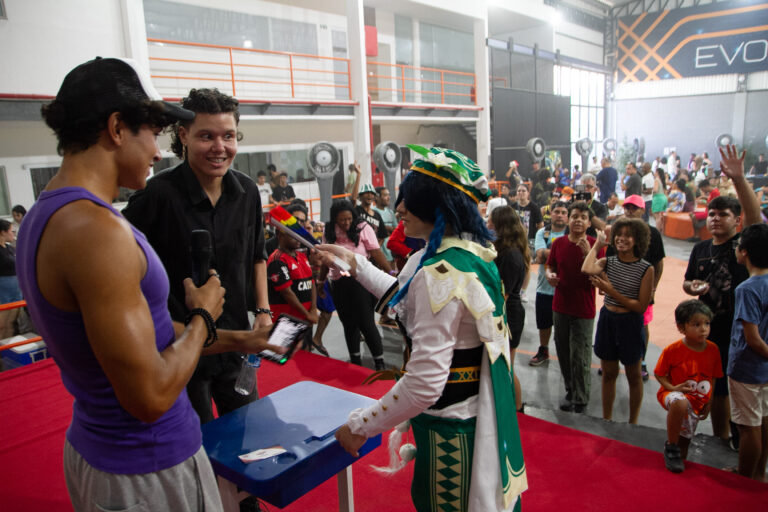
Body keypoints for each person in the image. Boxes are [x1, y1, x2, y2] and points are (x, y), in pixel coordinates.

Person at [18, 57, 278, 511]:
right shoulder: (97, 231)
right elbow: (152, 395)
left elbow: (146, 331)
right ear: (118, 128)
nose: (157, 153)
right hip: (146, 463)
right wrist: (201, 317)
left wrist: (239, 335)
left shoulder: (47, 213)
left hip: (103, 445)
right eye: (152, 135)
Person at [318, 145, 527, 511]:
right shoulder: (463, 255)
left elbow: (424, 384)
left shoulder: (436, 270)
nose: (399, 208)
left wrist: (359, 426)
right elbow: (407, 300)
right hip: (473, 414)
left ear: (438, 207)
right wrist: (356, 263)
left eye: (411, 200)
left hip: (452, 427)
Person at [123, 87, 274, 428]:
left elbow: (257, 256)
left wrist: (262, 310)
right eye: (207, 136)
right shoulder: (156, 196)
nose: (219, 147)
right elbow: (124, 269)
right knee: (198, 445)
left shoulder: (247, 191)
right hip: (180, 349)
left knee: (249, 434)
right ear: (183, 136)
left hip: (236, 343)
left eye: (229, 136)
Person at [683, 144, 762, 447]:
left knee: (738, 386)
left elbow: (755, 219)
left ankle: (741, 435)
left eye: (723, 214)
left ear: (736, 220)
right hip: (707, 326)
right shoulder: (701, 249)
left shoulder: (744, 244)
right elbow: (688, 282)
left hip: (740, 327)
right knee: (714, 387)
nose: (715, 219)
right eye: (712, 214)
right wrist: (692, 288)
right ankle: (722, 438)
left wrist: (740, 180)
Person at [582, 218, 654, 423]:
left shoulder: (646, 269)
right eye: (619, 235)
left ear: (638, 240)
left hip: (630, 323)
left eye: (628, 235)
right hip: (608, 319)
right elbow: (586, 268)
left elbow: (640, 307)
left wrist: (610, 290)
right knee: (609, 373)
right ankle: (607, 418)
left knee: (633, 375)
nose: (622, 239)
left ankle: (633, 422)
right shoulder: (608, 262)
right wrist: (597, 245)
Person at [546, 201, 605, 412]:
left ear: (589, 222)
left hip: (583, 307)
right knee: (563, 350)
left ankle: (581, 397)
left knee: (580, 355)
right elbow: (549, 265)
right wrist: (549, 275)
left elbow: (601, 276)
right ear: (569, 220)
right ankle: (570, 389)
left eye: (582, 217)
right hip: (560, 305)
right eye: (574, 216)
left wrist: (590, 252)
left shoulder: (595, 244)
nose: (578, 220)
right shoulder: (559, 243)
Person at [654, 300, 722, 473]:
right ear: (681, 327)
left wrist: (709, 401)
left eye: (707, 323)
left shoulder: (713, 350)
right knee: (680, 402)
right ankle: (670, 446)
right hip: (672, 394)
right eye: (696, 324)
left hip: (698, 400)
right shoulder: (673, 350)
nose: (703, 329)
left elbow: (714, 377)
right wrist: (673, 388)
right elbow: (659, 374)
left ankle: (675, 455)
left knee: (684, 442)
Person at [321, 199, 389, 369]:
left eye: (349, 219)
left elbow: (376, 252)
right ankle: (356, 361)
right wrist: (320, 281)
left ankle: (379, 362)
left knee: (366, 323)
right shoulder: (329, 230)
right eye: (342, 220)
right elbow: (324, 258)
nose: (346, 223)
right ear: (335, 218)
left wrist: (390, 273)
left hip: (360, 281)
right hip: (339, 283)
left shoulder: (363, 228)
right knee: (348, 324)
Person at [729, 223, 768, 480]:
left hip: (747, 366)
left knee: (748, 427)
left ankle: (744, 478)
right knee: (764, 420)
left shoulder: (748, 288)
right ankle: (759, 472)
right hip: (764, 369)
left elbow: (752, 338)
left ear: (743, 252)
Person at [617, 195, 666, 381]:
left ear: (642, 210)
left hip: (643, 290)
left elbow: (659, 263)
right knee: (618, 322)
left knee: (642, 325)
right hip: (620, 288)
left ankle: (641, 360)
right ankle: (613, 359)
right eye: (627, 207)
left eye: (633, 208)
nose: (629, 211)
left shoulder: (653, 233)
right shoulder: (618, 231)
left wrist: (653, 288)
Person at [489, 205, 529, 412]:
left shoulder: (511, 255)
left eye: (490, 221)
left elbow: (502, 293)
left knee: (506, 366)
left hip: (508, 314)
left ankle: (517, 408)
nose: (487, 224)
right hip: (506, 311)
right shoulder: (505, 251)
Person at [266, 204, 319, 352]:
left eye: (299, 235)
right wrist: (307, 314)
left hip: (306, 319)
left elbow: (311, 282)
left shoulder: (302, 256)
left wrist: (313, 309)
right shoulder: (277, 260)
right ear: (280, 234)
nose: (298, 239)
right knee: (285, 360)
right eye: (292, 235)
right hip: (287, 322)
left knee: (306, 357)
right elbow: (287, 293)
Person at [529, 200, 569, 366]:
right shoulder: (542, 233)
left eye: (563, 213)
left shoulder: (571, 233)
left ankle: (566, 353)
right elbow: (539, 253)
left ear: (567, 217)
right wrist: (564, 251)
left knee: (565, 327)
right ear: (550, 214)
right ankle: (543, 349)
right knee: (544, 322)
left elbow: (545, 255)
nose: (559, 215)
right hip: (544, 288)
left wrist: (548, 253)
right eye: (556, 212)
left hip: (566, 289)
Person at [0, 219, 22, 337]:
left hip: (15, 289)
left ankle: (9, 352)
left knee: (10, 323)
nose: (13, 234)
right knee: (2, 325)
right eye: (11, 231)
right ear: (3, 232)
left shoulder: (10, 248)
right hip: (3, 290)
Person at [651, 166, 669, 233]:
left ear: (657, 172)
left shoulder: (656, 180)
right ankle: (661, 228)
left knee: (656, 215)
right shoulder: (662, 180)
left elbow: (655, 190)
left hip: (658, 198)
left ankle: (657, 231)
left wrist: (651, 190)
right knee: (659, 215)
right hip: (663, 197)